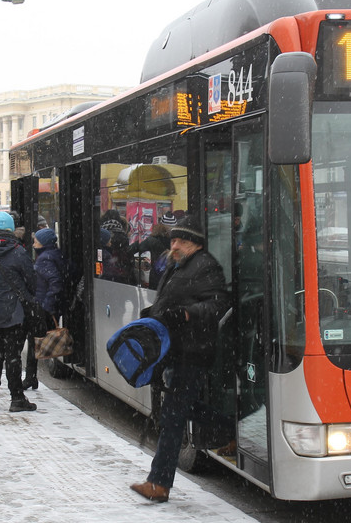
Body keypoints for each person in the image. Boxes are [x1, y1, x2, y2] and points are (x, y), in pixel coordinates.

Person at [130, 215, 231, 503]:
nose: (173, 245)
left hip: (194, 351)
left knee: (174, 415)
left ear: (194, 244)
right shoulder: (179, 265)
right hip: (176, 349)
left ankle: (159, 484)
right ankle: (229, 428)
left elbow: (218, 303)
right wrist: (154, 314)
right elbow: (171, 301)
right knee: (183, 407)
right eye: (172, 240)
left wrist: (187, 314)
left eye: (180, 241)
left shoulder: (206, 266)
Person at [0, 211, 38, 412]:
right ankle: (16, 398)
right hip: (13, 312)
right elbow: (32, 280)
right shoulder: (18, 252)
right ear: (11, 228)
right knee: (13, 355)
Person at [24, 227, 66, 391]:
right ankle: (30, 377)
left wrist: (46, 306)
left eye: (36, 240)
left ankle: (30, 377)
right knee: (35, 341)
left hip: (43, 307)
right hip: (49, 305)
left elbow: (55, 282)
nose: (33, 243)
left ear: (43, 243)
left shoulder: (44, 259)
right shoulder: (55, 254)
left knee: (33, 341)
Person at [130, 222, 171, 289]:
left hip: (155, 272)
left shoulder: (151, 240)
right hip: (168, 273)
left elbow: (134, 249)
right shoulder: (171, 241)